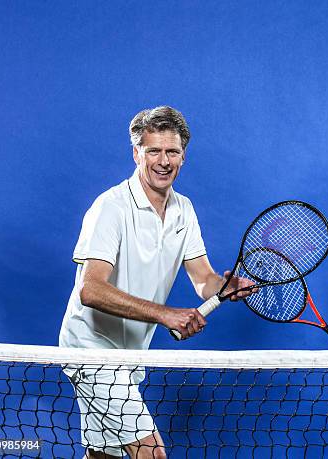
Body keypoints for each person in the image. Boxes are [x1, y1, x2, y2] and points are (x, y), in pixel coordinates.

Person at [59, 106, 251, 459]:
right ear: (137, 153)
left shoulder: (184, 210)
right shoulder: (110, 208)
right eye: (154, 151)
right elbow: (91, 289)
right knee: (152, 454)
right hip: (90, 351)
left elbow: (204, 280)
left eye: (172, 152)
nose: (163, 161)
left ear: (183, 156)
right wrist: (165, 315)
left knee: (104, 455)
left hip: (130, 356)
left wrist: (226, 287)